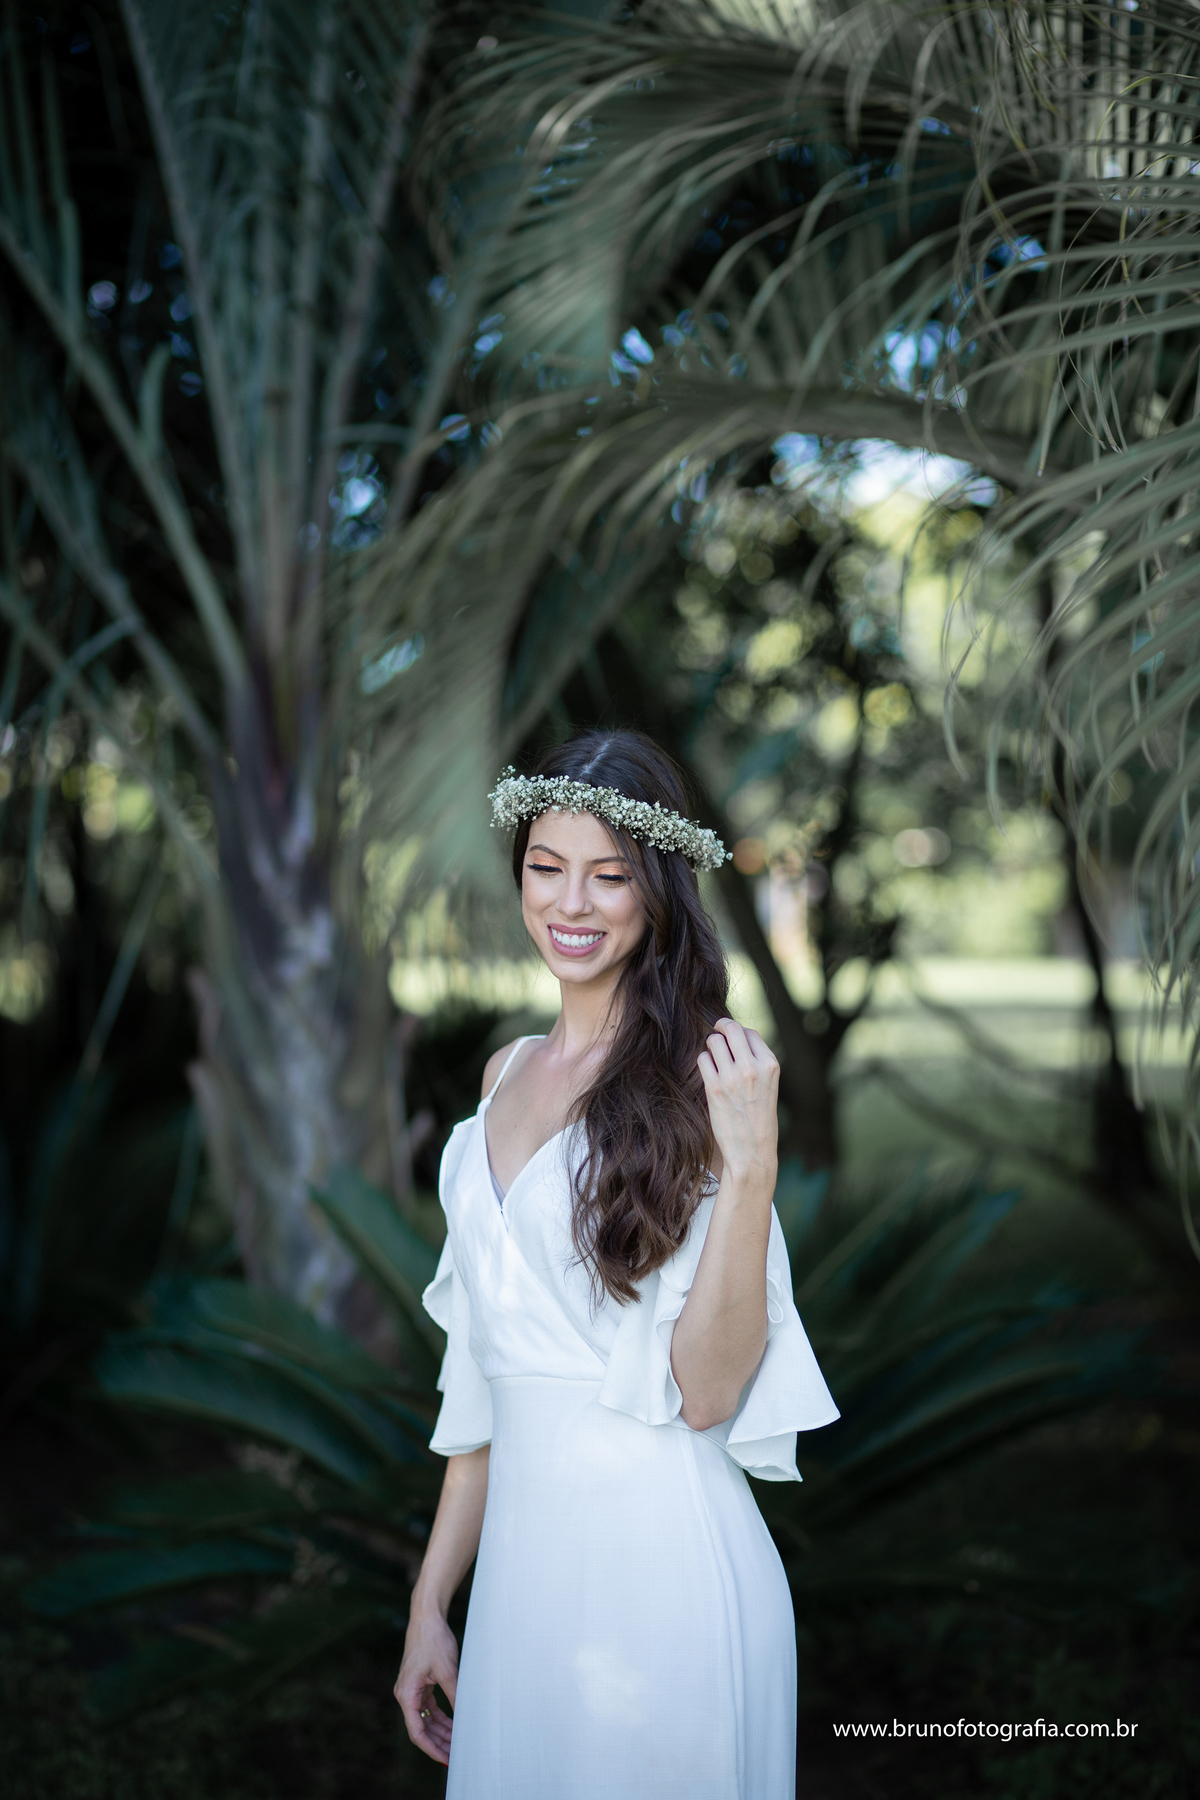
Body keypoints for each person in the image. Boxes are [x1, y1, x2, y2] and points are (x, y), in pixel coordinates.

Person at [394, 730, 838, 1799]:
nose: (572, 903)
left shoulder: (704, 1082)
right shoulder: (503, 1076)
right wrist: (429, 1605)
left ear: (658, 891)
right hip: (522, 1600)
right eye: (547, 868)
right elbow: (485, 1388)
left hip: (665, 1583)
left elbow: (710, 1393)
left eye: (609, 876)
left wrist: (752, 1166)